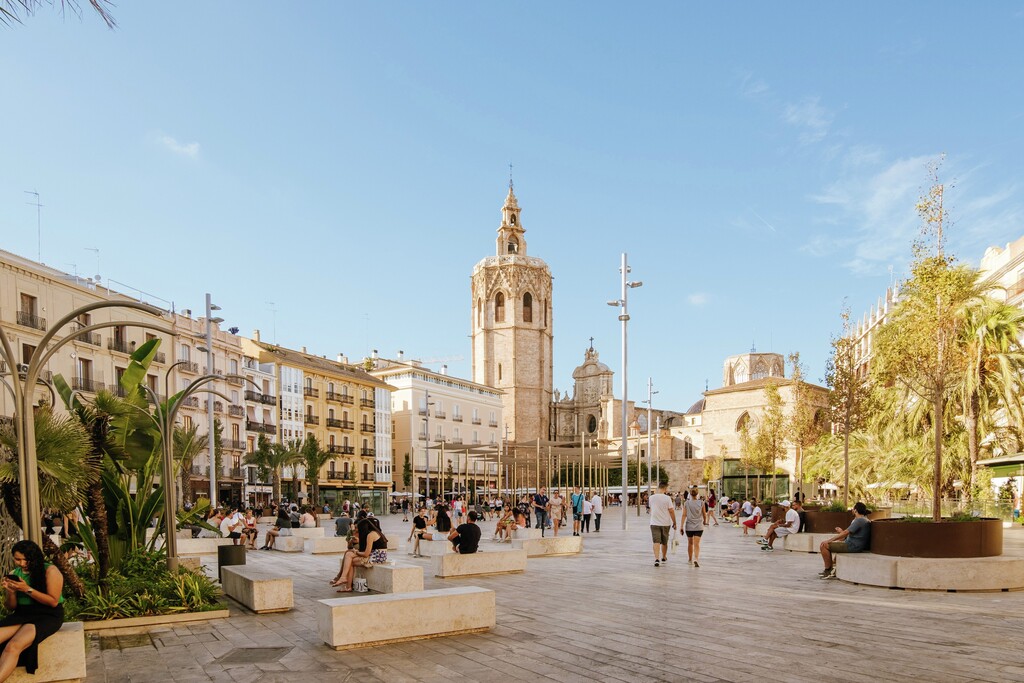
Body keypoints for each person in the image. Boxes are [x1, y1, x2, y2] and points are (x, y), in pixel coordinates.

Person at [0, 540, 65, 681]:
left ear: (34, 558)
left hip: (47, 614)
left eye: (26, 560)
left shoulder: (50, 570)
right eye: (17, 559)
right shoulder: (14, 573)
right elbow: (11, 607)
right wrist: (11, 591)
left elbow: (53, 602)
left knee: (13, 646)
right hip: (22, 614)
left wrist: (26, 589)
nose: (22, 563)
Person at [331, 512, 389, 592]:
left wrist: (356, 552)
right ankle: (344, 579)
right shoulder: (376, 532)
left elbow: (366, 554)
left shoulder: (370, 535)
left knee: (350, 560)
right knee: (348, 554)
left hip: (376, 557)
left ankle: (346, 583)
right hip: (377, 555)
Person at [819, 502, 872, 579]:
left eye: (853, 509)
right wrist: (841, 532)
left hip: (852, 546)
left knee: (824, 545)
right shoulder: (863, 520)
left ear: (855, 510)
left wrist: (829, 540)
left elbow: (846, 532)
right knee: (836, 543)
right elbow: (850, 534)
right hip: (853, 544)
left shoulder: (859, 520)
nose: (852, 511)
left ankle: (828, 571)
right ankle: (832, 569)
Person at [648, 482, 677, 567]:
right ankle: (664, 557)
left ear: (658, 488)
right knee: (664, 541)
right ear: (665, 488)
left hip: (654, 523)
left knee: (656, 541)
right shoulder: (667, 498)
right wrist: (675, 522)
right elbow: (671, 511)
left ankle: (657, 558)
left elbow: (650, 509)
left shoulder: (651, 498)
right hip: (665, 523)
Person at [681, 485, 707, 567]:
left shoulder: (686, 503)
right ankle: (696, 558)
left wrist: (681, 526)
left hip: (689, 526)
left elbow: (684, 515)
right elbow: (704, 514)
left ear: (690, 494)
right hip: (699, 526)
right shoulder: (701, 502)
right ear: (697, 493)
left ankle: (689, 559)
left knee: (690, 543)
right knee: (697, 544)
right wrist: (705, 521)